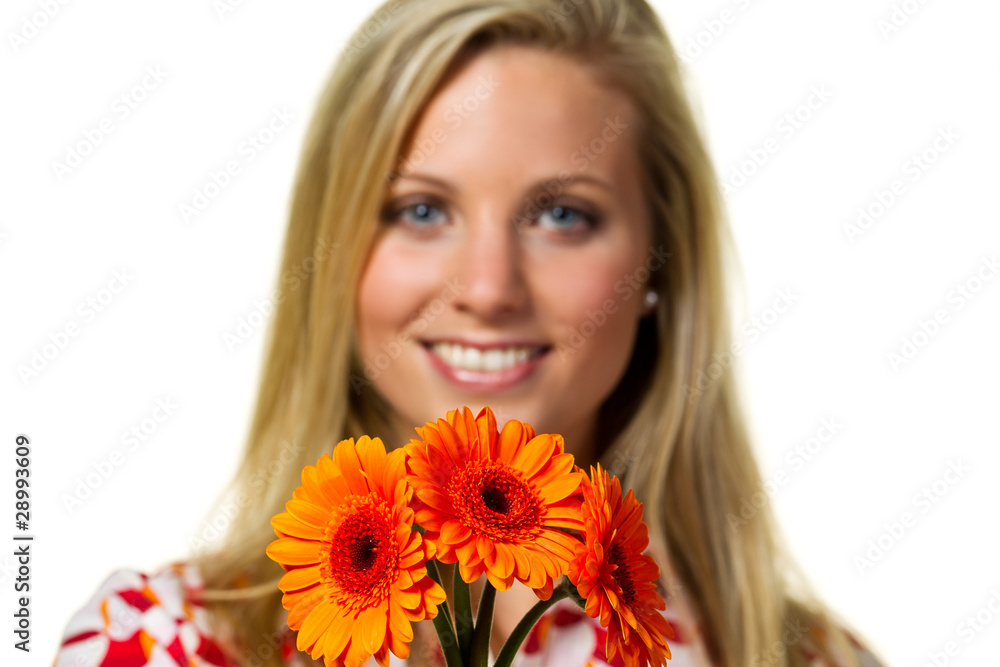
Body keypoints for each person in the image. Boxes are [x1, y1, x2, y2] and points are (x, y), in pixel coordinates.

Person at [53, 1, 884, 666]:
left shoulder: (816, 661)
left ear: (659, 262)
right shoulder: (161, 646)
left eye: (562, 214)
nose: (488, 288)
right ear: (334, 252)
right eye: (420, 210)